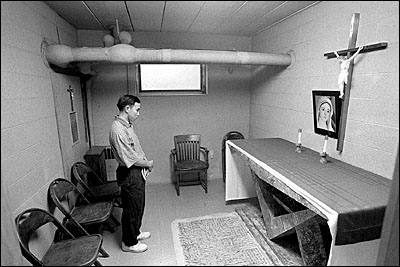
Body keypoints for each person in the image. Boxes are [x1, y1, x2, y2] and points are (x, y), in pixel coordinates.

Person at [109, 94, 154, 253]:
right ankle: (128, 243)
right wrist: (147, 164)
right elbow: (130, 158)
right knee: (131, 209)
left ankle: (135, 233)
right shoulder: (118, 130)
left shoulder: (127, 125)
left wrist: (144, 163)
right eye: (137, 109)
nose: (138, 113)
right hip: (129, 174)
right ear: (127, 108)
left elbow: (135, 149)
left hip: (135, 172)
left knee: (138, 205)